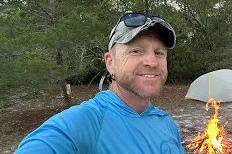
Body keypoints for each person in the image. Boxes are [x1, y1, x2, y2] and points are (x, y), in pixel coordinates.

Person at [14, 13, 186, 154]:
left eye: (159, 53)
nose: (152, 62)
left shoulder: (167, 123)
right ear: (110, 63)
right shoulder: (85, 121)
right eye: (136, 51)